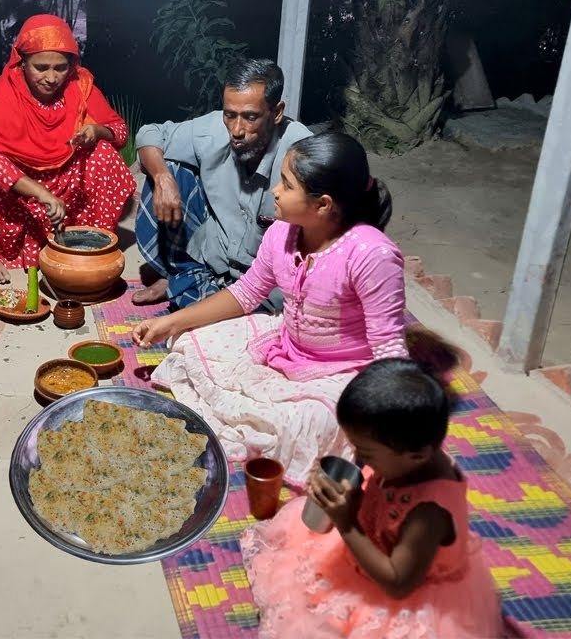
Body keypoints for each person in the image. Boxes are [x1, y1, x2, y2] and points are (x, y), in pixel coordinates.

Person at [132, 133, 407, 484]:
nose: (275, 191)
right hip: (284, 344)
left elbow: (389, 349)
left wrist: (396, 425)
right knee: (191, 341)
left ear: (322, 204)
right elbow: (246, 293)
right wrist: (171, 323)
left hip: (342, 372)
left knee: (307, 423)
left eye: (287, 185)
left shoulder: (372, 255)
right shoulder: (282, 232)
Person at [241, 358, 504, 638]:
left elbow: (397, 583)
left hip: (402, 588)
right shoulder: (406, 453)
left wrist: (347, 524)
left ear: (417, 455)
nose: (358, 458)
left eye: (366, 452)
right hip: (376, 539)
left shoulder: (428, 513)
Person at [0, 14, 135, 284]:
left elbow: (120, 132)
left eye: (61, 68)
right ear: (22, 63)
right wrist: (40, 193)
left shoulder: (80, 87)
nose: (52, 78)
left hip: (63, 179)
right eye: (40, 67)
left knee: (104, 154)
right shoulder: (1, 93)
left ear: (72, 65)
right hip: (13, 188)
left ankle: (86, 245)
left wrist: (97, 131)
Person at [133, 59, 312, 309]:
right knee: (171, 169)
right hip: (215, 259)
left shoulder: (303, 154)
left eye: (251, 117)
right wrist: (163, 177)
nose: (237, 130)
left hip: (267, 285)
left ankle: (202, 297)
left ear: (277, 112)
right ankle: (183, 277)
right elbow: (149, 134)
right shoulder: (215, 128)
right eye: (230, 115)